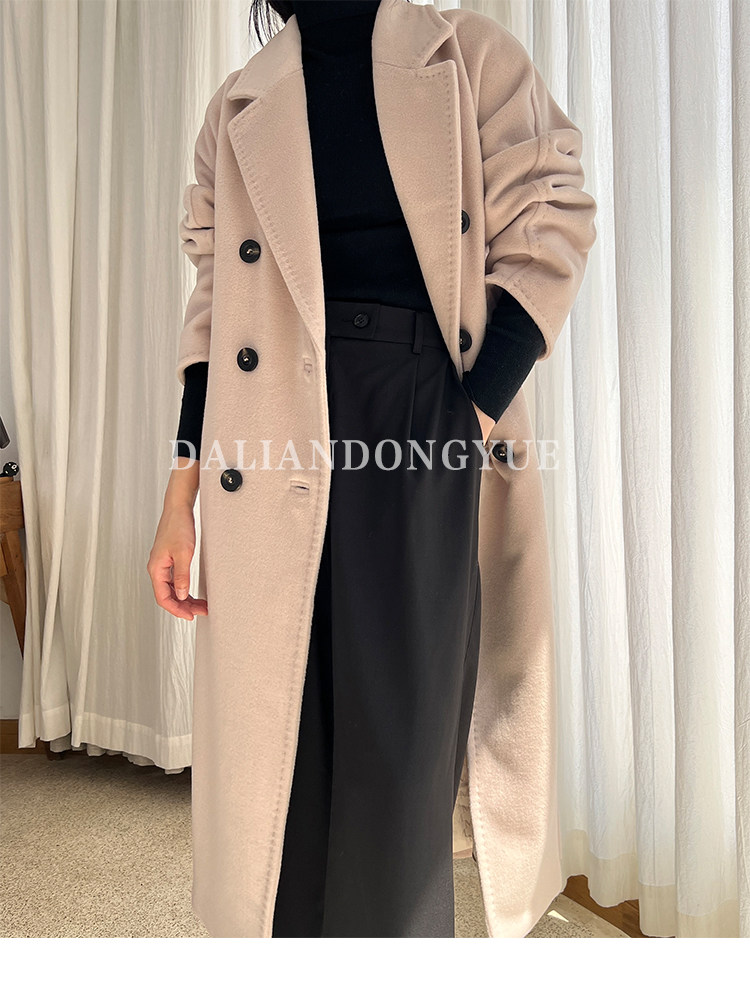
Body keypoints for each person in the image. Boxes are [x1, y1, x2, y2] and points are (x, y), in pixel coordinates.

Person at [148, 0, 596, 938]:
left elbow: (551, 215)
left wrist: (470, 411)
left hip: (425, 413)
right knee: (286, 742)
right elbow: (215, 308)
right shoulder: (239, 104)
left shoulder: (469, 56)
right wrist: (180, 492)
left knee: (402, 742)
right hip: (266, 426)